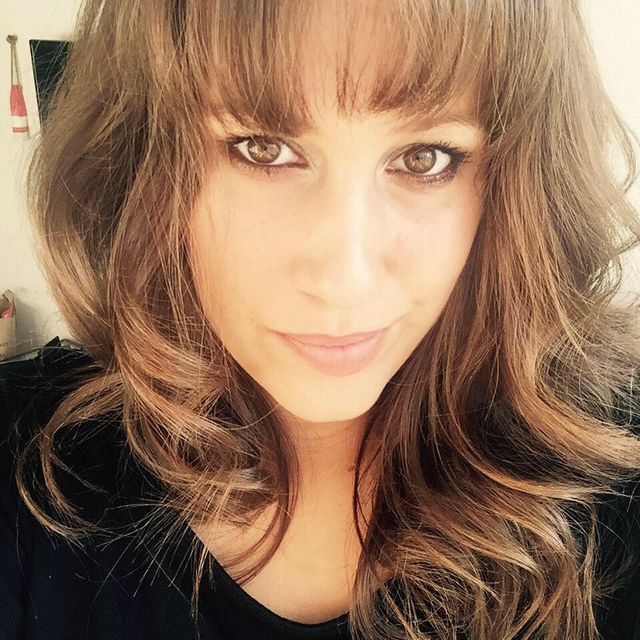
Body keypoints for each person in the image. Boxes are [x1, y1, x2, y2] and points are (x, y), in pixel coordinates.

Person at [2, 0, 640, 638]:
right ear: (143, 161)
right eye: (262, 149)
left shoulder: (614, 469)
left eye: (425, 158)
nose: (345, 282)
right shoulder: (27, 463)